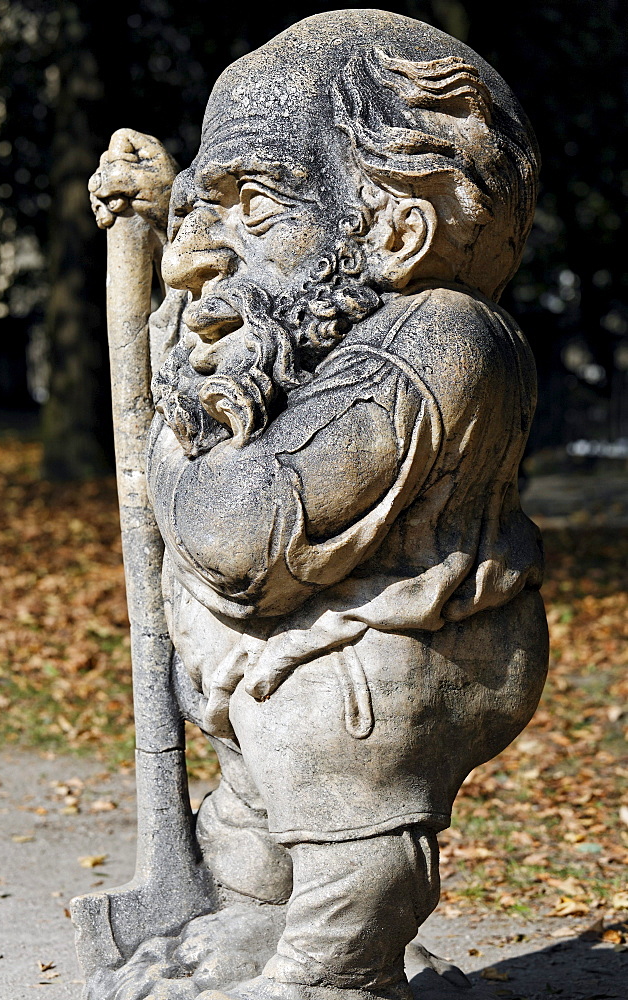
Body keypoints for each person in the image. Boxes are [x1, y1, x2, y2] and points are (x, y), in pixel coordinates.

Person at [89, 11, 548, 1000]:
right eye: (197, 213)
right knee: (251, 816)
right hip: (281, 664)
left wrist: (165, 442)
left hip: (385, 664)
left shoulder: (437, 339)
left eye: (248, 200)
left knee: (342, 804)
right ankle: (253, 923)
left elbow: (242, 537)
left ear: (394, 220)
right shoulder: (305, 329)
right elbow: (223, 357)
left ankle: (330, 970)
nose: (186, 258)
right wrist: (163, 214)